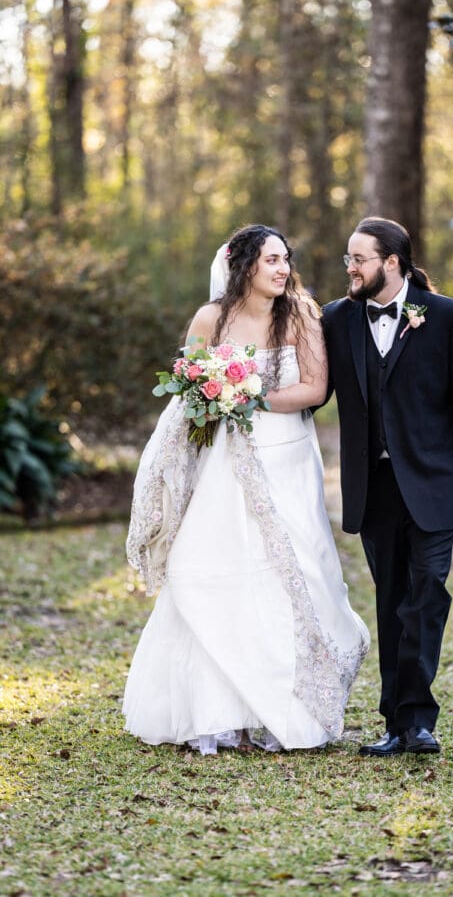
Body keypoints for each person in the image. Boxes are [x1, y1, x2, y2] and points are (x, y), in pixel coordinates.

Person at [123, 224, 369, 755]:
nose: (282, 269)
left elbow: (315, 387)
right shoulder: (210, 318)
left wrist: (249, 393)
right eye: (271, 260)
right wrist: (215, 395)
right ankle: (217, 712)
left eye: (286, 259)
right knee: (212, 567)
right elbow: (189, 386)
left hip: (287, 456)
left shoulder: (301, 312)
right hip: (224, 459)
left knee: (294, 570)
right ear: (243, 265)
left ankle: (283, 710)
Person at [321, 216, 453, 757]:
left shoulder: (446, 316)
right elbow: (315, 392)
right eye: (348, 258)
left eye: (358, 259)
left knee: (427, 594)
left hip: (433, 483)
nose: (350, 268)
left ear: (391, 263)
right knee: (392, 602)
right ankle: (394, 724)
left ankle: (419, 719)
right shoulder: (336, 319)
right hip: (373, 487)